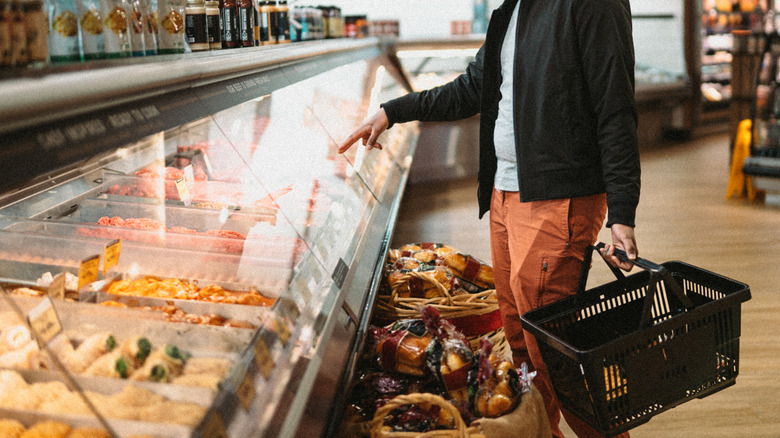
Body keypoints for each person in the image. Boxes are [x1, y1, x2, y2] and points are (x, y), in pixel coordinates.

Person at [339, 0, 639, 437]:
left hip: (559, 197)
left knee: (553, 354)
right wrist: (392, 111)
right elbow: (472, 89)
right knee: (519, 343)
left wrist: (623, 212)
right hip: (505, 192)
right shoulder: (511, 8)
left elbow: (615, 106)